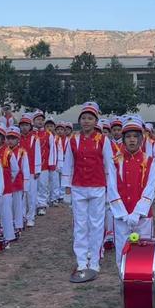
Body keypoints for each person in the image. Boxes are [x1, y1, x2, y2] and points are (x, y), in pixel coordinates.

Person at [62, 102, 114, 282]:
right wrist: (67, 189)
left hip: (98, 186)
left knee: (97, 224)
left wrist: (110, 190)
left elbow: (109, 166)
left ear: (96, 121)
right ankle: (82, 260)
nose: (86, 121)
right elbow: (68, 164)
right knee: (80, 225)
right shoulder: (73, 140)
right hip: (78, 187)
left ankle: (95, 260)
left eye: (90, 118)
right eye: (83, 118)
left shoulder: (103, 140)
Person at [106, 115, 155, 267]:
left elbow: (150, 189)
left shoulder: (149, 161)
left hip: (143, 217)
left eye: (136, 136)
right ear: (123, 139)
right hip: (121, 216)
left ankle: (142, 282)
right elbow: (112, 188)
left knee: (143, 251)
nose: (132, 140)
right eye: (128, 136)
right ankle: (124, 281)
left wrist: (137, 213)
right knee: (122, 250)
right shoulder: (115, 161)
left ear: (142, 139)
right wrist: (123, 214)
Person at [0, 123, 19, 245]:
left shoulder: (8, 152)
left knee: (6, 213)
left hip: (6, 188)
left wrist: (8, 181)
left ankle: (9, 236)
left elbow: (15, 169)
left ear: (3, 138)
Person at [6, 126, 30, 237]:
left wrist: (25, 185)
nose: (10, 140)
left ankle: (19, 225)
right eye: (8, 138)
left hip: (17, 183)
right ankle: (9, 225)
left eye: (13, 138)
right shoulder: (5, 152)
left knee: (18, 205)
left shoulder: (21, 152)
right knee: (8, 206)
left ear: (18, 139)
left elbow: (25, 169)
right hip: (6, 184)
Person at [19, 113, 41, 227]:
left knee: (31, 195)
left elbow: (37, 153)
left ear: (30, 126)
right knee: (21, 195)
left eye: (26, 125)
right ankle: (22, 216)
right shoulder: (17, 138)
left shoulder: (35, 138)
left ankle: (30, 217)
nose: (24, 127)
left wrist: (37, 170)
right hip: (20, 172)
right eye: (22, 125)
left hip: (32, 171)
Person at [34, 111, 56, 216]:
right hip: (31, 165)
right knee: (33, 186)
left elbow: (52, 149)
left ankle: (42, 205)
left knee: (43, 185)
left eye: (42, 120)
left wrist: (52, 163)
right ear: (33, 121)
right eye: (38, 119)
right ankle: (33, 205)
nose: (40, 121)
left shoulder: (48, 134)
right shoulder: (31, 134)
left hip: (44, 164)